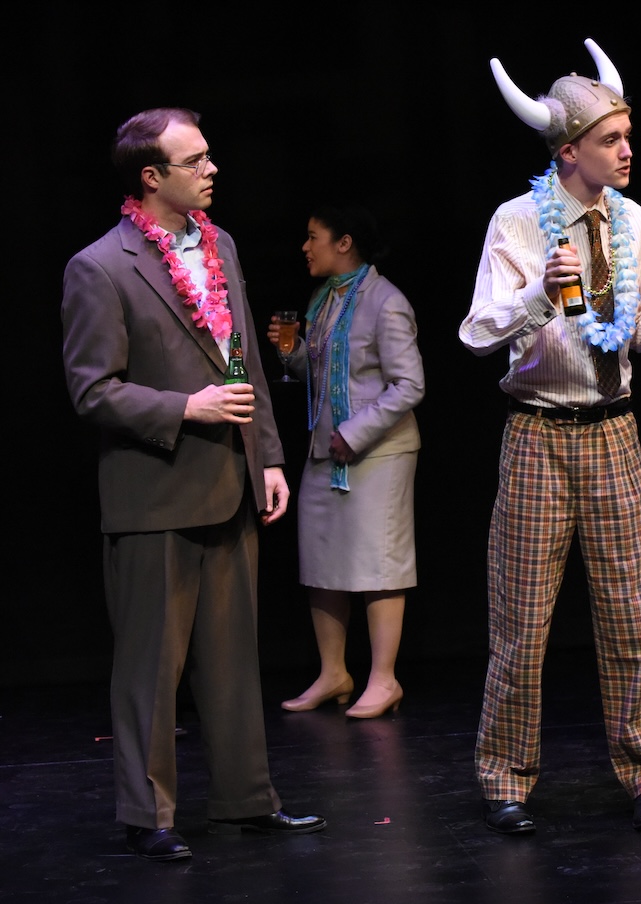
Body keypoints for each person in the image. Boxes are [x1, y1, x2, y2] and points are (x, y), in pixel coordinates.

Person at [460, 39, 641, 834]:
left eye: (627, 135)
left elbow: (632, 329)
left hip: (615, 433)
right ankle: (506, 780)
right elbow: (478, 332)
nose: (627, 149)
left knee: (633, 611)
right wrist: (538, 300)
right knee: (521, 620)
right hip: (539, 433)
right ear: (568, 150)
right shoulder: (517, 221)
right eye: (612, 140)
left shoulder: (635, 221)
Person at [60, 107, 326, 862]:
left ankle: (246, 801)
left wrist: (267, 453)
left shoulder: (221, 245)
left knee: (234, 656)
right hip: (154, 491)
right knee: (153, 665)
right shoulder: (100, 266)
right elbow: (91, 389)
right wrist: (186, 407)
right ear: (152, 177)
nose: (213, 170)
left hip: (232, 478)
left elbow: (239, 356)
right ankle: (150, 817)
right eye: (196, 160)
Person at [271, 205, 424, 720]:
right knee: (322, 564)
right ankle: (333, 672)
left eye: (313, 237)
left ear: (344, 243)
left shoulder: (386, 301)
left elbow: (409, 385)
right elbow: (321, 374)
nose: (305, 246)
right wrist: (290, 354)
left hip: (377, 453)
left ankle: (385, 679)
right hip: (324, 449)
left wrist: (355, 434)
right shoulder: (324, 298)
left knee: (379, 565)